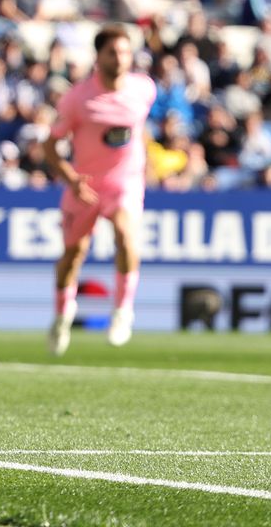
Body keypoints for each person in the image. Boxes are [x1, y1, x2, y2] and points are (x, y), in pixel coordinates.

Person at [43, 24, 156, 357]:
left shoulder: (144, 88)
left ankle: (122, 311)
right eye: (113, 52)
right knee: (73, 255)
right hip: (85, 185)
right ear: (99, 56)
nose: (120, 58)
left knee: (125, 234)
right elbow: (50, 144)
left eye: (125, 52)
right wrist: (70, 178)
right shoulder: (78, 98)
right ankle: (63, 314)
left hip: (125, 181)